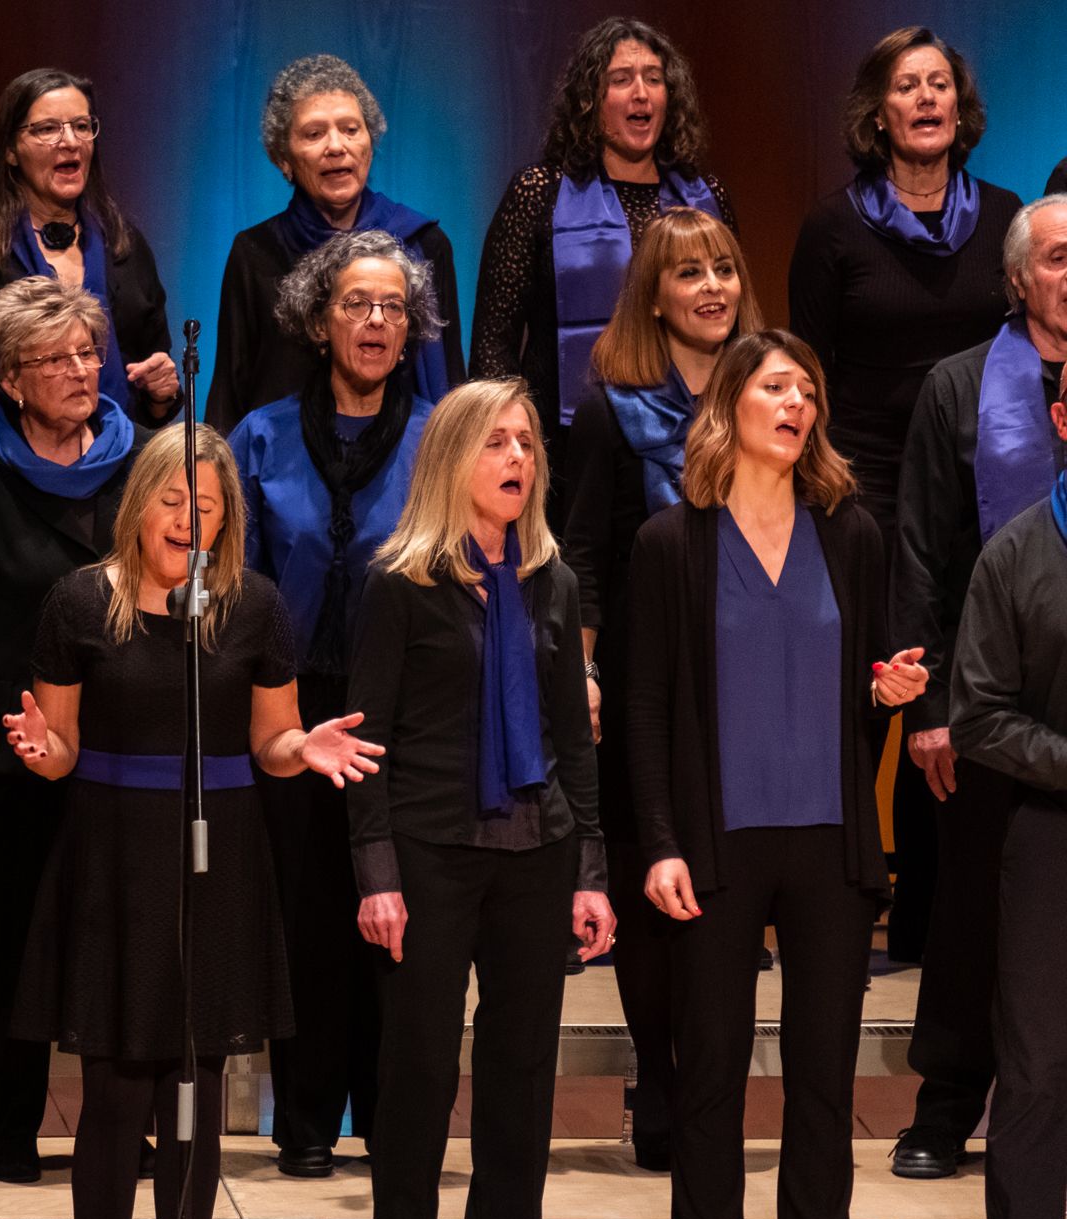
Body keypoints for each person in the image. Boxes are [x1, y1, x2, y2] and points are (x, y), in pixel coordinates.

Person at [6, 420, 374, 1219]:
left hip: (220, 866)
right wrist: (45, 755)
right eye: (171, 499)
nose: (188, 517)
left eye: (205, 504)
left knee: (196, 1099)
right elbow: (60, 745)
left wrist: (305, 749)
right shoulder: (79, 603)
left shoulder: (251, 606)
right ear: (138, 507)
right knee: (117, 1102)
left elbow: (272, 740)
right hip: (114, 866)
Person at [625, 332, 927, 1219]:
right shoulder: (671, 541)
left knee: (820, 1085)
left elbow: (869, 689)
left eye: (807, 388)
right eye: (774, 385)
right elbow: (643, 710)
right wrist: (658, 843)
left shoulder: (850, 533)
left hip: (828, 845)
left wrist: (885, 697)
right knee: (707, 1080)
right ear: (729, 404)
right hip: (713, 845)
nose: (794, 401)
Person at [344, 379, 613, 1219]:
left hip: (534, 855)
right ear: (451, 458)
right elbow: (365, 742)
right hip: (425, 856)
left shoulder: (553, 582)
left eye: (526, 442)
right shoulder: (396, 584)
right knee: (413, 1084)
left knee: (518, 1088)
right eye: (495, 442)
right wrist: (374, 872)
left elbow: (573, 744)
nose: (516, 459)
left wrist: (590, 869)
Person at [787, 26, 1020, 961]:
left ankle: (931, 923)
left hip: (983, 483)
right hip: (865, 486)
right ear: (876, 114)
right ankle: (837, 906)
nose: (926, 100)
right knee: (870, 695)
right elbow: (806, 368)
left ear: (958, 109)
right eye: (906, 86)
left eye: (939, 85)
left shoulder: (1006, 215)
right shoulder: (834, 227)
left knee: (960, 696)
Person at [0, 274, 147, 1185]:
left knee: (118, 939)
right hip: (4, 742)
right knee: (14, 941)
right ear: (9, 379)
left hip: (124, 740)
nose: (82, 370)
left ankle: (117, 1130)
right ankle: (15, 1133)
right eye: (57, 358)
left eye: (90, 351)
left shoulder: (140, 456)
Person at [225, 229, 442, 1179]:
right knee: (309, 914)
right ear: (319, 320)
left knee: (398, 911)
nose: (377, 322)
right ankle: (306, 1117)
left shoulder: (445, 434)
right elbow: (233, 584)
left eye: (393, 308)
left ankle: (393, 1116)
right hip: (293, 704)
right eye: (357, 304)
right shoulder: (261, 436)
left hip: (413, 712)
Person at [561, 207, 762, 1172]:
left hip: (747, 682)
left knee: (723, 891)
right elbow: (586, 555)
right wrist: (586, 669)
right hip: (646, 686)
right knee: (650, 893)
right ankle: (661, 1076)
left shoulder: (772, 396)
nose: (713, 287)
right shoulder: (613, 406)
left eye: (725, 268)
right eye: (691, 274)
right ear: (655, 294)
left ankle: (711, 1082)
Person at [887, 195, 1067, 1180]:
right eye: (1056, 257)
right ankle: (944, 1108)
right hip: (983, 703)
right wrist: (927, 706)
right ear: (1015, 279)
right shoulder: (957, 388)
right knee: (967, 914)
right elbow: (917, 551)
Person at [469, 16, 733, 526]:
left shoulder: (706, 198)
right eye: (621, 79)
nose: (642, 94)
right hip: (565, 450)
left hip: (691, 440)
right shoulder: (538, 193)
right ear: (590, 100)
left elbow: (735, 321)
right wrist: (514, 442)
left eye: (654, 79)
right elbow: (492, 344)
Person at [946, 375, 1067, 1219]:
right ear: (1062, 419)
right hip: (1047, 836)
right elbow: (978, 714)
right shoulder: (1015, 552)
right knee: (1031, 1070)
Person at [0, 67, 176, 438]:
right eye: (48, 129)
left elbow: (153, 390)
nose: (70, 141)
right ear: (10, 151)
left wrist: (161, 396)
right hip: (8, 480)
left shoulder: (126, 247)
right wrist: (17, 378)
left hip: (123, 473)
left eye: (82, 126)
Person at [207, 53, 463, 432]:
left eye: (350, 129)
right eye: (314, 134)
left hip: (402, 463)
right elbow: (231, 388)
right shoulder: (254, 252)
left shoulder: (424, 244)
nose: (336, 146)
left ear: (370, 143)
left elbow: (452, 381)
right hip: (283, 469)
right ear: (283, 159)